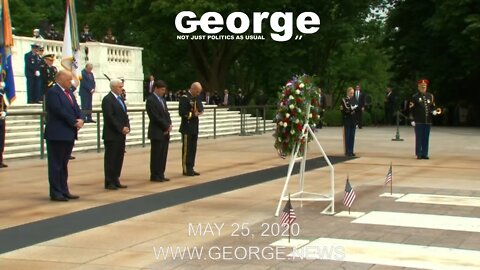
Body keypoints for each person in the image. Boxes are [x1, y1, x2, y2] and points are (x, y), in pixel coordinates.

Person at [44, 70, 84, 201]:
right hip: (57, 134)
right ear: (60, 79)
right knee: (56, 165)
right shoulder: (53, 92)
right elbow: (58, 110)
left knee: (63, 164)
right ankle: (56, 192)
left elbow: (76, 108)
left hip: (68, 134)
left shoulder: (69, 93)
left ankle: (64, 189)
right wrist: (74, 121)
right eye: (68, 80)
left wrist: (81, 119)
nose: (70, 82)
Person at [102, 79, 130, 190]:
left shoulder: (120, 99)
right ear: (113, 87)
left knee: (119, 158)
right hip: (112, 134)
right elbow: (110, 117)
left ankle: (116, 178)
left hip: (121, 134)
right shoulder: (108, 99)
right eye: (119, 86)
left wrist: (127, 126)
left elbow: (124, 114)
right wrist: (120, 128)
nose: (121, 88)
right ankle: (109, 181)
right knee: (111, 158)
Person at [146, 80, 172, 182]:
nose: (163, 92)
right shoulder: (151, 100)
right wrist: (165, 126)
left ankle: (161, 173)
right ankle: (155, 174)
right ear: (156, 88)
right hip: (157, 131)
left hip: (165, 131)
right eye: (161, 90)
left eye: (164, 90)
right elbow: (154, 117)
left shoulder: (162, 100)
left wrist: (169, 125)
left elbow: (166, 113)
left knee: (163, 154)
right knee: (156, 154)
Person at [409, 79, 440, 159]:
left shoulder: (430, 96)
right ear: (418, 87)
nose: (423, 88)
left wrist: (434, 111)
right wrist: (412, 119)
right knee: (419, 137)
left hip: (427, 120)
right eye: (422, 87)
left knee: (426, 137)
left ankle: (425, 153)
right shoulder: (415, 97)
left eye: (425, 87)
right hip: (418, 120)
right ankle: (419, 153)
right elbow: (411, 109)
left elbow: (432, 107)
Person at [179, 82, 203, 176]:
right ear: (192, 89)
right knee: (187, 149)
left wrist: (198, 111)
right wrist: (193, 114)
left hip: (194, 127)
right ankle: (186, 168)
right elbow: (182, 112)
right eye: (197, 92)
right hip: (187, 127)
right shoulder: (185, 98)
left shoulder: (196, 97)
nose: (198, 94)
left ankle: (191, 167)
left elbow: (200, 108)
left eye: (199, 92)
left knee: (193, 149)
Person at [341, 87, 357, 157]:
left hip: (353, 120)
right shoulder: (344, 100)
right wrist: (351, 110)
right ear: (347, 93)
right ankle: (347, 151)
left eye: (353, 93)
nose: (352, 94)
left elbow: (356, 109)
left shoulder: (353, 100)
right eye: (351, 93)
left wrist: (352, 109)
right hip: (347, 120)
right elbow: (345, 110)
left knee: (352, 136)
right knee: (347, 136)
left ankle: (351, 150)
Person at [0, 87, 8, 168]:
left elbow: (5, 104)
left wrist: (5, 112)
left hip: (1, 120)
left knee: (1, 141)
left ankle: (0, 161)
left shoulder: (2, 92)